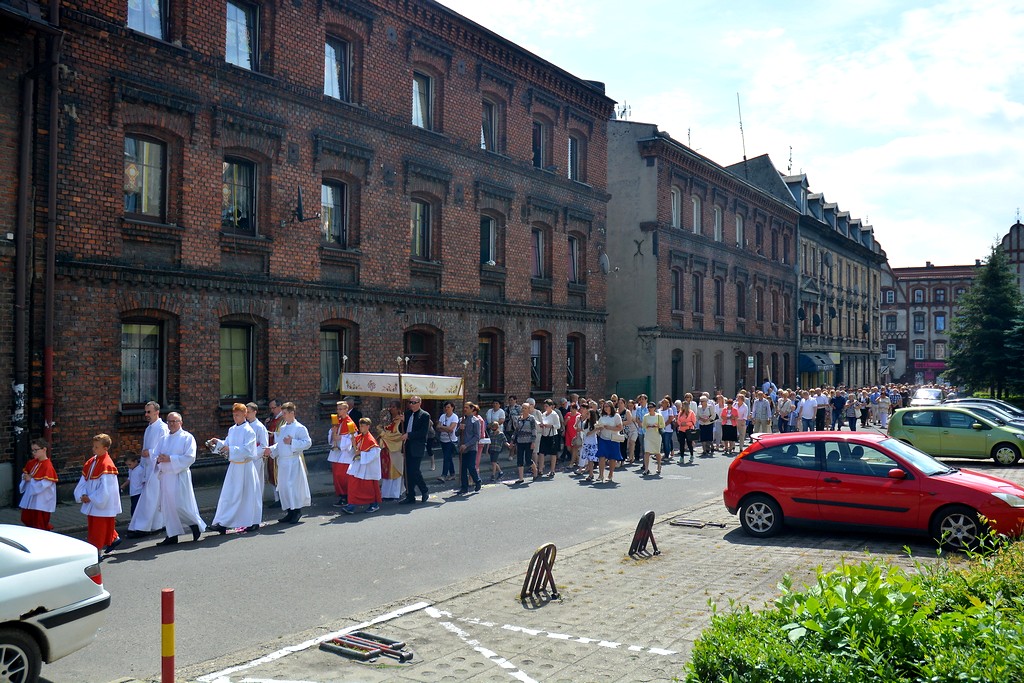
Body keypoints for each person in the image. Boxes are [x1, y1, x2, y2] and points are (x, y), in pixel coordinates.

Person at [208, 403, 262, 534]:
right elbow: (227, 444)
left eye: (238, 415)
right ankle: (222, 522)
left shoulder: (249, 431)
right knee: (229, 495)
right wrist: (218, 442)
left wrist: (230, 449)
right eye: (234, 415)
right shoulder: (232, 429)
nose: (235, 417)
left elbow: (248, 450)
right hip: (234, 467)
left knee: (248, 496)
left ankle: (252, 521)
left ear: (245, 414)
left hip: (245, 467)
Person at [154, 412, 206, 545]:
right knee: (167, 507)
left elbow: (190, 457)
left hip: (179, 475)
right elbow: (155, 454)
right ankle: (172, 534)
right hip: (166, 476)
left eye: (174, 421)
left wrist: (170, 459)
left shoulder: (187, 437)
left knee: (180, 504)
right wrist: (159, 459)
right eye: (169, 421)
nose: (171, 424)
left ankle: (194, 524)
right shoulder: (163, 439)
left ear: (180, 422)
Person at [127, 400, 169, 537]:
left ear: (157, 412)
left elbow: (164, 448)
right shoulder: (149, 428)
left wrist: (150, 453)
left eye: (149, 412)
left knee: (151, 499)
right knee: (152, 499)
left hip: (156, 469)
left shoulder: (162, 428)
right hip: (148, 468)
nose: (146, 414)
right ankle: (155, 525)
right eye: (145, 412)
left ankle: (144, 527)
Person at [74, 434, 122, 552]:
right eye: (93, 446)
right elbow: (84, 481)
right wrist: (82, 495)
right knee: (96, 526)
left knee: (98, 529)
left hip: (101, 504)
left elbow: (106, 490)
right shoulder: (91, 462)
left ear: (105, 448)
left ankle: (97, 551)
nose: (93, 449)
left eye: (96, 447)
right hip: (92, 501)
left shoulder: (107, 465)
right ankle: (114, 539)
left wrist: (91, 498)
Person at [265, 402, 312, 524]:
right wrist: (271, 450)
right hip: (283, 462)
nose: (283, 416)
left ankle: (297, 511)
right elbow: (280, 444)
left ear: (292, 413)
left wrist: (292, 442)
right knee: (284, 487)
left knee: (293, 487)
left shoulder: (300, 428)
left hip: (293, 461)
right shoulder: (283, 428)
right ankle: (289, 511)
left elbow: (308, 443)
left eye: (285, 413)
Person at [342, 418, 382, 514]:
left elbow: (375, 453)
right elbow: (355, 449)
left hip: (367, 468)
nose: (361, 428)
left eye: (363, 426)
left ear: (368, 426)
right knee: (353, 484)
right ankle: (351, 505)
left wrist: (361, 453)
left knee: (368, 487)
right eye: (360, 426)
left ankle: (374, 504)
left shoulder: (370, 440)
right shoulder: (359, 437)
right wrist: (353, 444)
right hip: (358, 465)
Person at [20, 438, 57, 531]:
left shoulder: (48, 466)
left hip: (41, 501)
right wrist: (25, 477)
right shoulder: (32, 463)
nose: (33, 453)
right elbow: (26, 474)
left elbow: (46, 484)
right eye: (32, 450)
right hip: (30, 499)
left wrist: (31, 480)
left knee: (39, 524)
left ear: (44, 449)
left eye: (36, 450)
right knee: (26, 518)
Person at [400, 396, 431, 504]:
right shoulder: (407, 414)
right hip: (407, 446)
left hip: (417, 446)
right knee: (407, 472)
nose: (411, 404)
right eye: (410, 402)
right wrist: (402, 422)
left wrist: (409, 435)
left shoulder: (424, 415)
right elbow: (401, 429)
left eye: (414, 402)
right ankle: (410, 495)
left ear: (419, 403)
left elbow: (422, 432)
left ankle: (424, 490)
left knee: (414, 470)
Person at [327, 400, 357, 507]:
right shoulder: (338, 421)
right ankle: (341, 495)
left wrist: (340, 438)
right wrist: (332, 431)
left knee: (342, 475)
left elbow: (353, 438)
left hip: (345, 454)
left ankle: (346, 496)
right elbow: (332, 435)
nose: (338, 411)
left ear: (346, 410)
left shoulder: (350, 423)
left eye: (340, 409)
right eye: (337, 409)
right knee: (336, 475)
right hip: (336, 453)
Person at [377, 400, 405, 500]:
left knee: (395, 471)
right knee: (386, 471)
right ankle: (385, 493)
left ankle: (394, 493)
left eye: (393, 407)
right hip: (386, 449)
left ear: (398, 409)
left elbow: (397, 436)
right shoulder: (389, 420)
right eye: (390, 406)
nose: (391, 408)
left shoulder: (401, 421)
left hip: (395, 450)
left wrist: (383, 433)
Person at [457, 402, 484, 494]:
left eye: (467, 407)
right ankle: (464, 487)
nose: (465, 409)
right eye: (464, 407)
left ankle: (477, 481)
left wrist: (466, 445)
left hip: (471, 448)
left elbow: (477, 436)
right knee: (463, 468)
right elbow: (456, 433)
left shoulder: (475, 421)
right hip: (462, 448)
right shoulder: (461, 420)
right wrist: (460, 428)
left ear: (472, 409)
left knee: (471, 466)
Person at [596, 402, 623, 482]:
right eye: (605, 407)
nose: (606, 408)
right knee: (601, 456)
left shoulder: (616, 416)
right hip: (603, 438)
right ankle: (601, 475)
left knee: (612, 458)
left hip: (613, 439)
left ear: (611, 407)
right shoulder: (602, 417)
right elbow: (598, 426)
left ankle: (610, 474)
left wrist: (610, 428)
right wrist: (599, 427)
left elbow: (620, 427)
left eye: (607, 406)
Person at [513, 401, 539, 483]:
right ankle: (521, 478)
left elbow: (534, 430)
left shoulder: (531, 418)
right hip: (520, 441)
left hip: (529, 441)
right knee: (519, 459)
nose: (523, 409)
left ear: (528, 409)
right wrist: (512, 440)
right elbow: (516, 430)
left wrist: (533, 442)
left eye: (525, 408)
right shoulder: (519, 419)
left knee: (528, 459)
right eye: (523, 408)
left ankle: (535, 470)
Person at [539, 399, 563, 478]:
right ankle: (540, 469)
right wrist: (542, 425)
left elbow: (558, 425)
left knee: (553, 453)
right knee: (541, 452)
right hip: (544, 434)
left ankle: (552, 470)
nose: (545, 408)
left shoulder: (554, 414)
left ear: (551, 406)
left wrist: (550, 426)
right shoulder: (544, 414)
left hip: (552, 435)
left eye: (546, 406)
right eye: (544, 406)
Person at [436, 401, 459, 483]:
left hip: (451, 440)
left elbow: (451, 429)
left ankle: (444, 475)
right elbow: (437, 427)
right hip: (443, 440)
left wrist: (442, 427)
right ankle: (452, 474)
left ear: (452, 408)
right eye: (445, 407)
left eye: (448, 407)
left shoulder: (454, 417)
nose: (446, 409)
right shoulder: (442, 416)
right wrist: (445, 428)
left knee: (446, 457)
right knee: (448, 458)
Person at [641, 402, 665, 475]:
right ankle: (646, 469)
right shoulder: (646, 416)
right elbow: (643, 425)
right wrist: (647, 426)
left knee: (657, 452)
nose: (649, 408)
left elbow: (663, 425)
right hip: (648, 435)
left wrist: (657, 426)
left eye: (651, 407)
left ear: (654, 408)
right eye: (648, 407)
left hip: (656, 435)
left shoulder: (659, 416)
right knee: (647, 452)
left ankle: (659, 465)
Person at [578, 407, 600, 481]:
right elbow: (586, 433)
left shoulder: (595, 424)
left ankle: (591, 474)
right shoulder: (585, 423)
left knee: (591, 459)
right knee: (587, 459)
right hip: (586, 442)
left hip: (592, 443)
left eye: (588, 414)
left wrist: (596, 429)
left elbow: (597, 432)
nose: (587, 415)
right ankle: (590, 472)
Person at [675, 400, 697, 464]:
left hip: (688, 430)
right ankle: (681, 457)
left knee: (689, 443)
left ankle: (691, 455)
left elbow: (693, 422)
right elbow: (678, 420)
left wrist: (686, 424)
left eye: (684, 405)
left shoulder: (691, 412)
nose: (682, 406)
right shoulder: (680, 412)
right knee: (681, 444)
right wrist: (680, 424)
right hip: (681, 430)